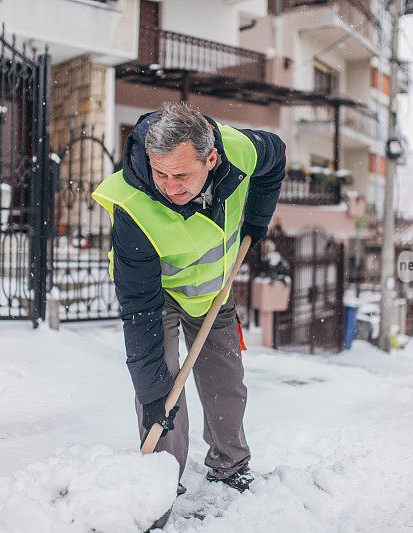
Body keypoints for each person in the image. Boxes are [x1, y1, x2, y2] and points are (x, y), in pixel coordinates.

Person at [93, 102, 285, 494]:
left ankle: (230, 464)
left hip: (215, 290)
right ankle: (160, 485)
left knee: (226, 380)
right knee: (162, 391)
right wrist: (150, 392)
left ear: (211, 158)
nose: (169, 186)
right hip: (157, 296)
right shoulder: (132, 206)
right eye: (159, 173)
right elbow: (139, 309)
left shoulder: (241, 150)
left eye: (181, 174)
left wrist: (256, 220)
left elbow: (276, 155)